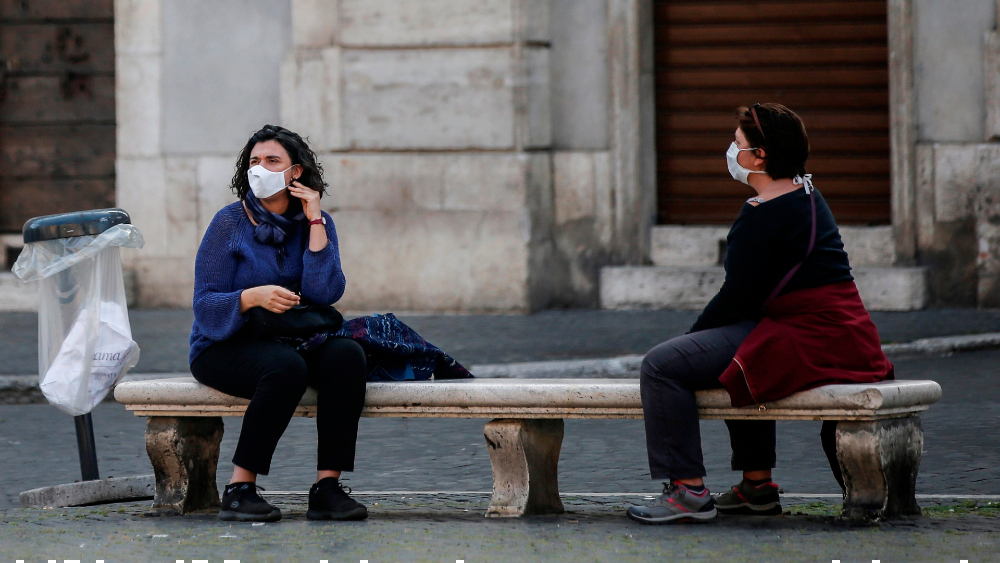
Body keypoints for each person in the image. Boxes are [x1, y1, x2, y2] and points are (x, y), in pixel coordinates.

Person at [626, 104, 894, 525]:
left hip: (807, 333)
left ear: (760, 156)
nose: (732, 151)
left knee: (663, 365)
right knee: (741, 352)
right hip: (843, 332)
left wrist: (691, 338)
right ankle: (757, 488)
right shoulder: (807, 193)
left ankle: (687, 492)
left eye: (737, 144)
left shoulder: (761, 212)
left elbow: (737, 297)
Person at [189, 124, 369, 522]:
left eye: (272, 160)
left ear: (296, 172)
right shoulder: (229, 222)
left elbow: (324, 293)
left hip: (290, 339)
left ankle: (327, 488)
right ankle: (239, 488)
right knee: (284, 368)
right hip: (224, 345)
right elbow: (204, 305)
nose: (260, 168)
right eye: (254, 161)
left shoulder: (315, 222)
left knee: (347, 356)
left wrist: (316, 222)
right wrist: (250, 298)